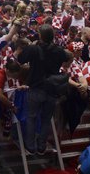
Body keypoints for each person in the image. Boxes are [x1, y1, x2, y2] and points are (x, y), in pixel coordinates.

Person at [17, 25, 67, 155]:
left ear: (40, 36)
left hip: (36, 87)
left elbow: (20, 59)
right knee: (46, 119)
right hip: (52, 89)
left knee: (31, 117)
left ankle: (30, 146)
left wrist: (31, 46)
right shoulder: (59, 50)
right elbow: (66, 59)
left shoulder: (33, 48)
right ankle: (41, 146)